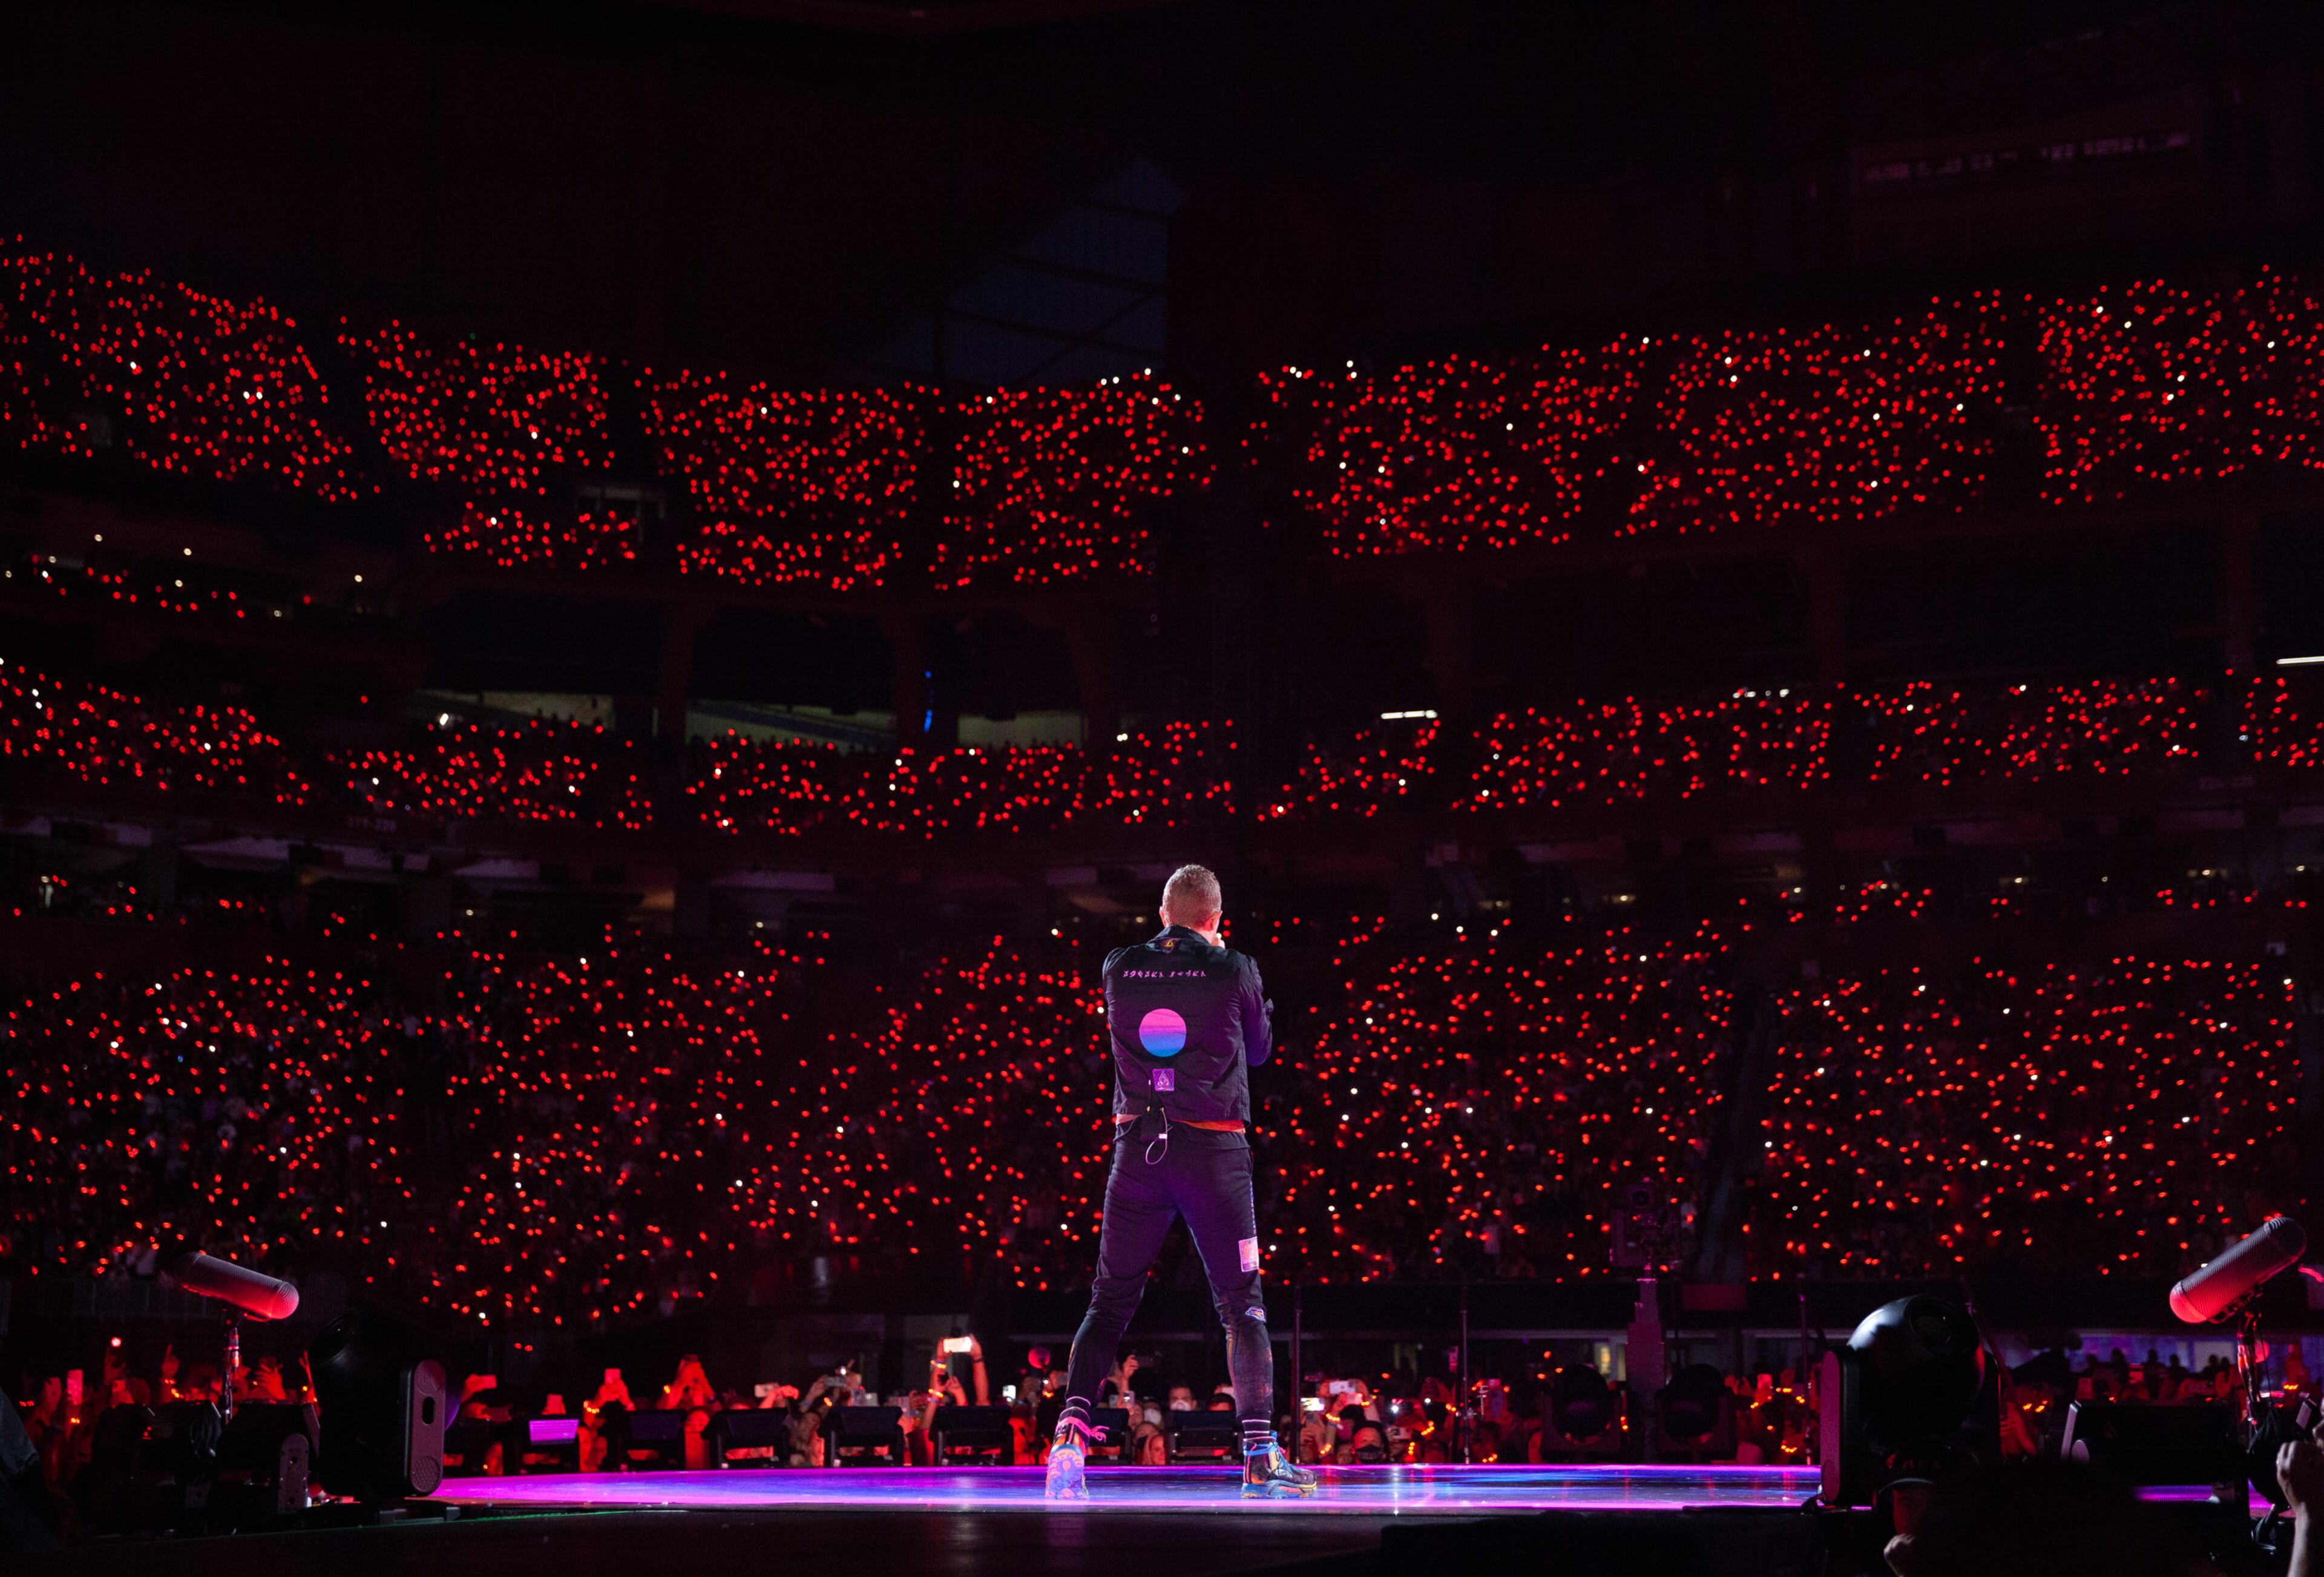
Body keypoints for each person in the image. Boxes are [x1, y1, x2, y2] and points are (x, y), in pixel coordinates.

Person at [1045, 865, 1315, 1502]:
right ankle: (1257, 1455)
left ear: (1163, 912)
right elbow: (1258, 1051)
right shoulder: (1234, 967)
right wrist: (1232, 970)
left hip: (1139, 1151)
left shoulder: (1118, 966)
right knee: (1241, 1305)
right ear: (1214, 918)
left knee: (1108, 1304)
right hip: (1214, 1153)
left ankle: (1067, 1444)